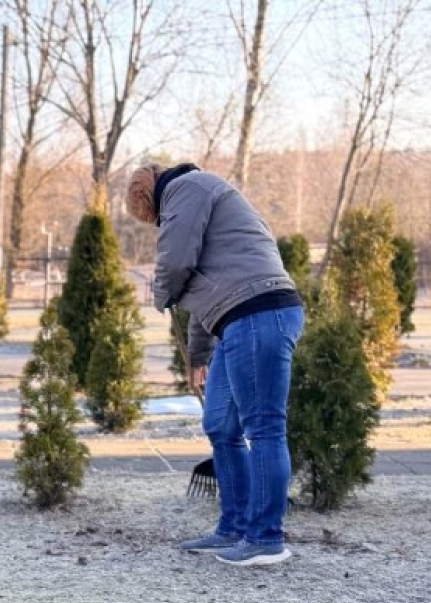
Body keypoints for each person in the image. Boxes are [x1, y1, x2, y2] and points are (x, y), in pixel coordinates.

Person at [126, 162, 305, 567]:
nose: (159, 227)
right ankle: (234, 526)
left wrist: (160, 293)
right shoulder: (198, 198)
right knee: (221, 424)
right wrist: (198, 358)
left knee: (263, 427)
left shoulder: (187, 189)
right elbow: (201, 295)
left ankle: (266, 538)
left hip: (259, 313)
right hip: (236, 319)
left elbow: (175, 264)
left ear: (149, 199)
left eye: (155, 221)